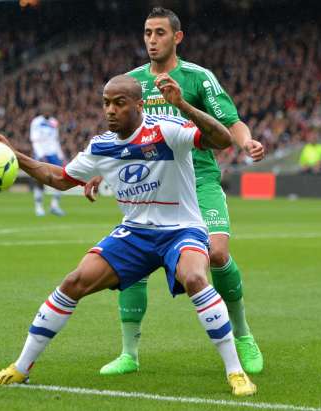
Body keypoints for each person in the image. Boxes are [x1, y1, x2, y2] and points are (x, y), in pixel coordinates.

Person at [0, 74, 257, 396]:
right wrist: (13, 154)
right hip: (135, 232)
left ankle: (235, 372)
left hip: (181, 229)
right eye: (106, 103)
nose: (110, 110)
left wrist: (182, 105)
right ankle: (20, 368)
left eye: (119, 103)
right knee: (74, 282)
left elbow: (221, 140)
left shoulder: (165, 129)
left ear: (139, 105)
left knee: (195, 277)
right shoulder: (101, 146)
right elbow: (58, 178)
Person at [85, 7, 264, 376]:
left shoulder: (198, 77)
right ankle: (129, 353)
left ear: (176, 38)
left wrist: (246, 143)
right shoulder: (132, 83)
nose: (152, 40)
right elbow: (122, 135)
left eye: (160, 33)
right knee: (133, 261)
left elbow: (231, 122)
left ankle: (243, 335)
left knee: (216, 253)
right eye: (148, 33)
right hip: (152, 184)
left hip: (199, 180)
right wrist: (100, 170)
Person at [30, 102, 66, 216]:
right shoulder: (36, 122)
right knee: (40, 179)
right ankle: (39, 207)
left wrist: (61, 156)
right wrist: (41, 155)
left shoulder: (54, 122)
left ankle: (54, 205)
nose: (47, 111)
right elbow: (35, 140)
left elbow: (55, 140)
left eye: (49, 109)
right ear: (41, 110)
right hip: (41, 153)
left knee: (61, 178)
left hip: (53, 154)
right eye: (45, 109)